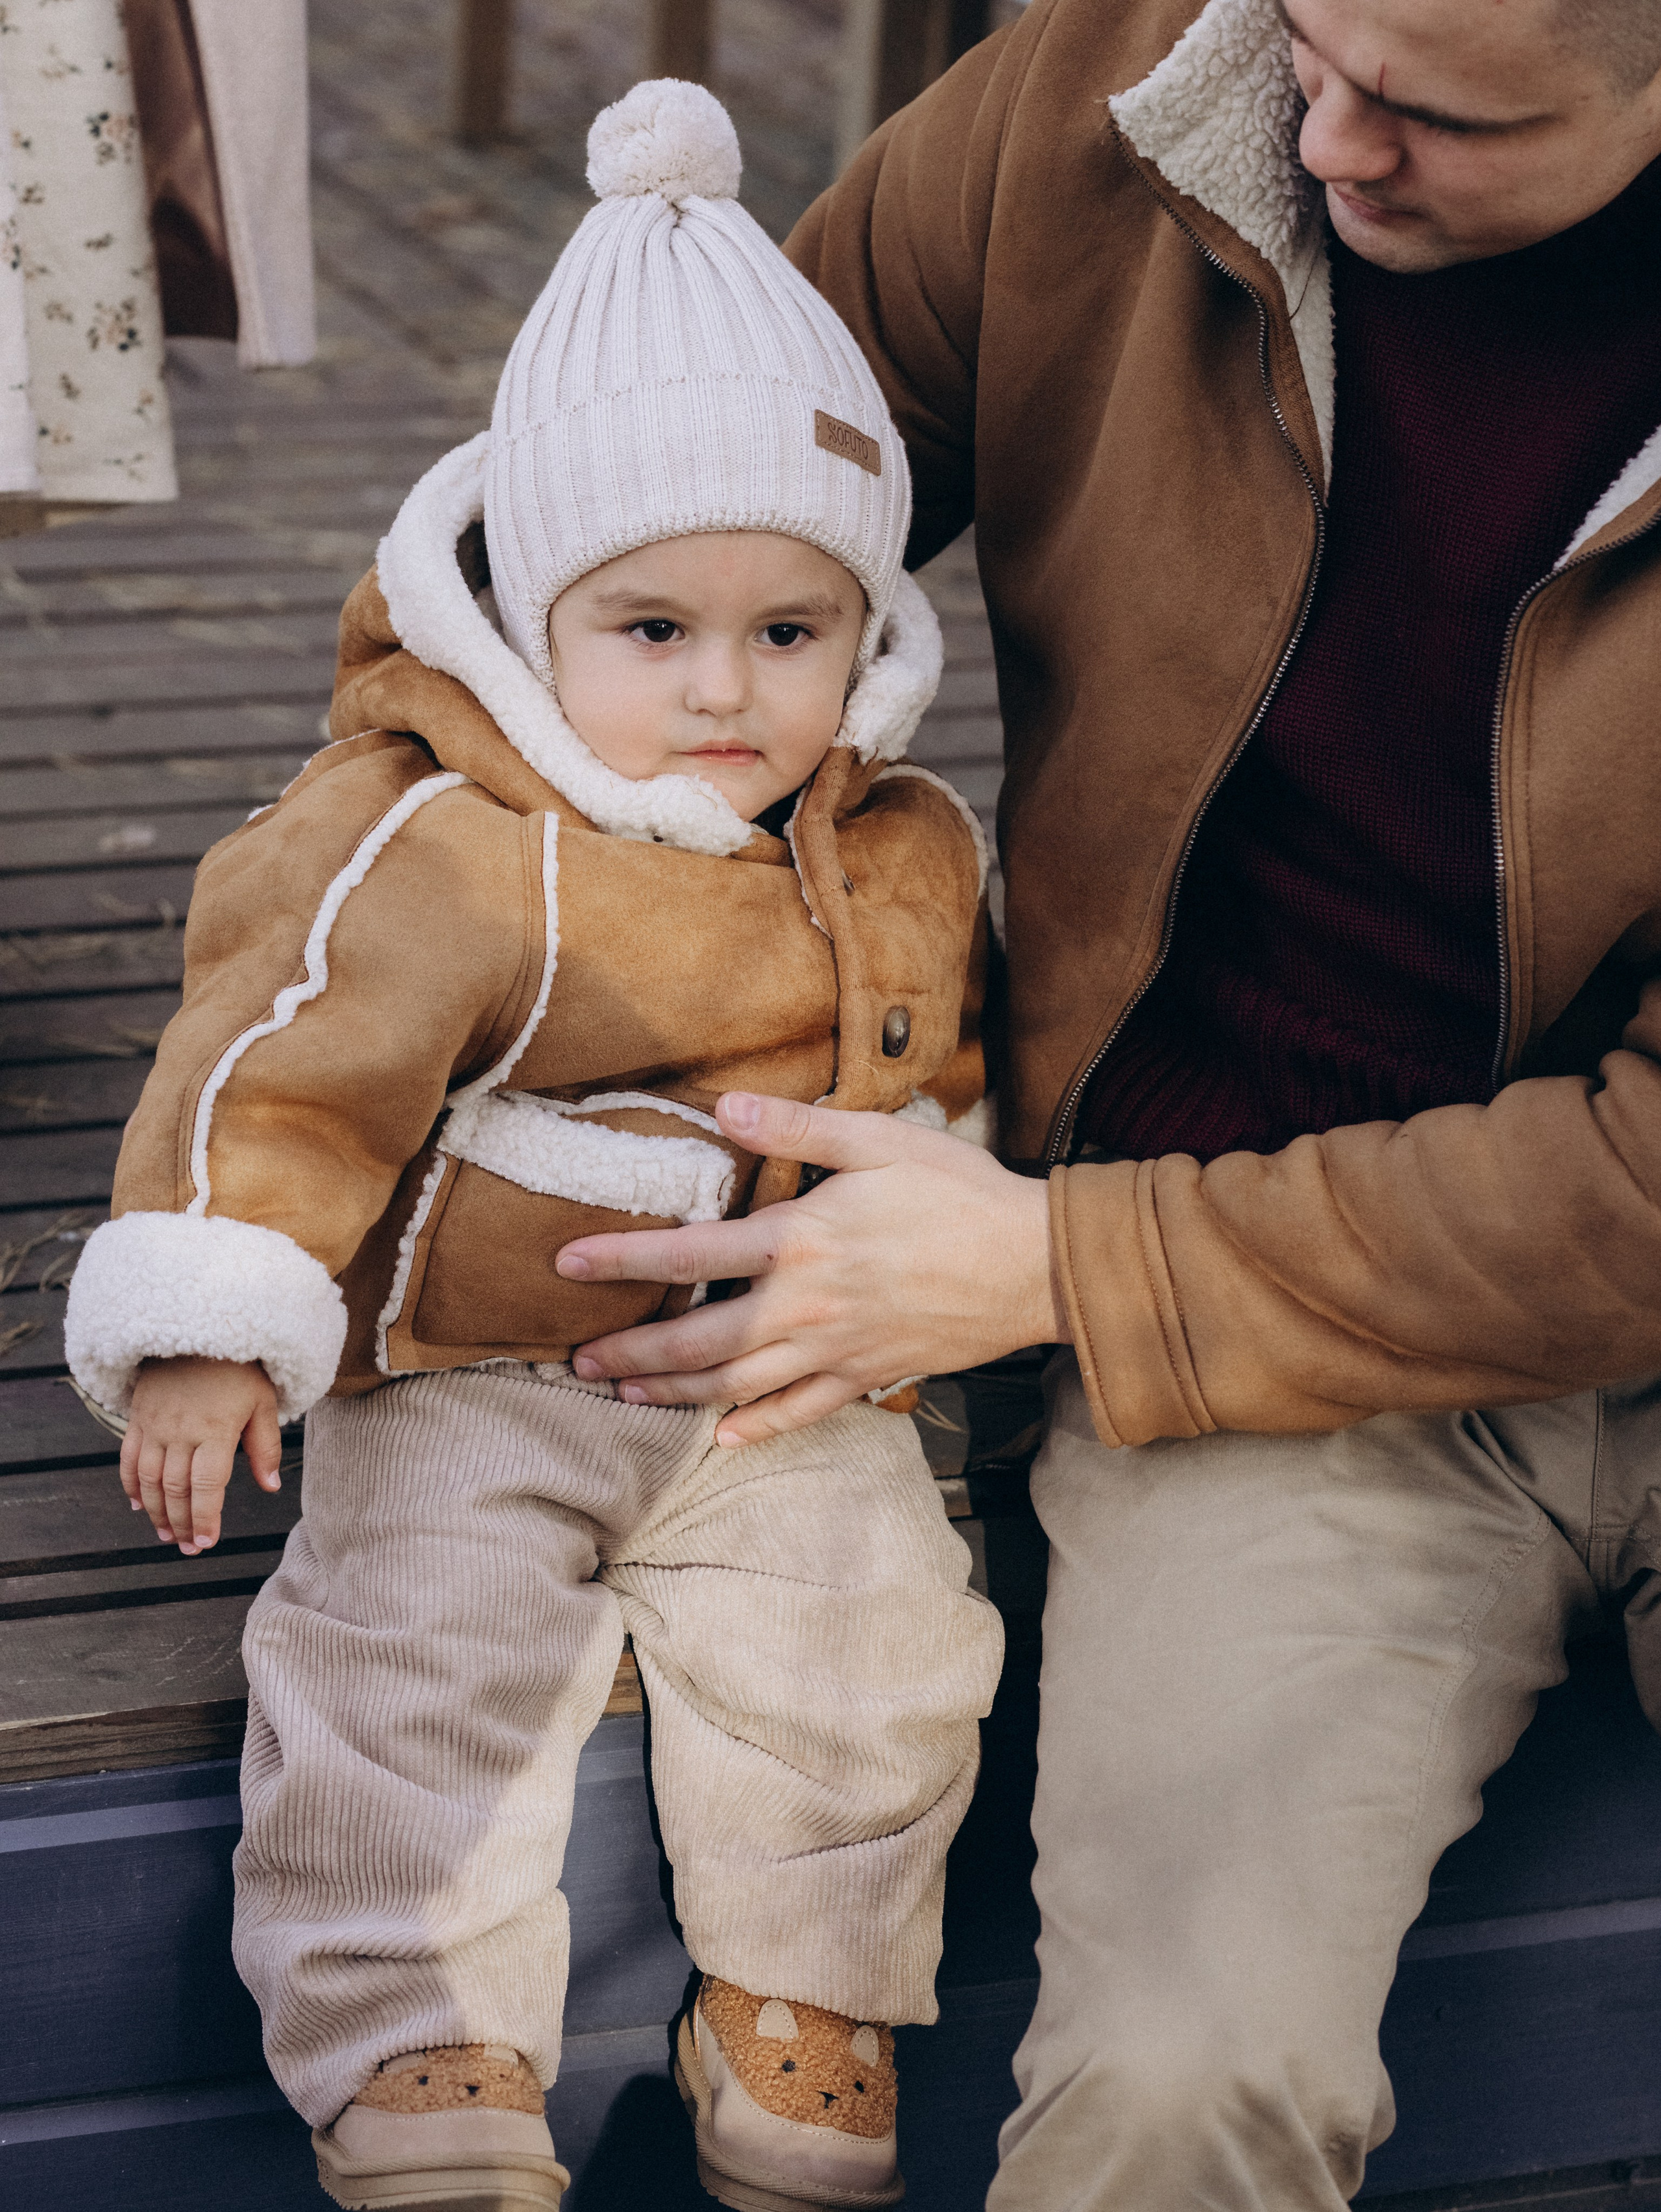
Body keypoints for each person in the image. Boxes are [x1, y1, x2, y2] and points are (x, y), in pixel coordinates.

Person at [546, 2, 1661, 2206]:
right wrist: (436, 946)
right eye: (1309, 35)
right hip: (1258, 1366)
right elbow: (615, 503)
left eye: (1435, 112)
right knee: (1168, 2097)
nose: (1314, 133)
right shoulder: (1128, 78)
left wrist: (1056, 1258)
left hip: (1232, 1260)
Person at [63, 80, 1004, 2212]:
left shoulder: (909, 842)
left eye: (792, 631)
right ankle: (415, 2043)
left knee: (881, 1639)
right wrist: (219, 1316)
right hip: (477, 1366)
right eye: (653, 630)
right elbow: (274, 1066)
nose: (724, 694)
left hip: (770, 1371)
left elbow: (951, 1072)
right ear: (538, 608)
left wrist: (939, 1250)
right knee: (407, 1659)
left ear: (863, 631)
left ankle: (808, 1991)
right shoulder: (451, 843)